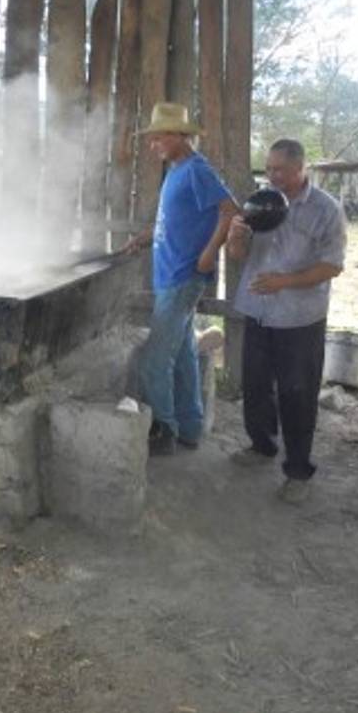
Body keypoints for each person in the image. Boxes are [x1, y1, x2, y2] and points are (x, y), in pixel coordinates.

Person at [226, 139, 346, 504]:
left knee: (298, 394)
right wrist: (235, 238)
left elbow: (332, 265)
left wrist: (284, 282)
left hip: (300, 319)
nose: (272, 175)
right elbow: (237, 256)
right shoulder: (259, 203)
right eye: (269, 168)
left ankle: (297, 470)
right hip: (258, 311)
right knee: (256, 386)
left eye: (280, 169)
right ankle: (261, 446)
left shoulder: (326, 210)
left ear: (300, 168)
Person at [125, 102, 237, 456]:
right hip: (169, 274)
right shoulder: (175, 169)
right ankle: (190, 427)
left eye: (158, 137)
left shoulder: (196, 170)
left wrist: (209, 252)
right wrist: (145, 237)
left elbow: (230, 210)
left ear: (178, 136)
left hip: (182, 276)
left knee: (154, 360)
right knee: (186, 353)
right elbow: (173, 220)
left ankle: (164, 431)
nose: (153, 144)